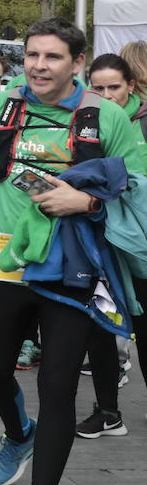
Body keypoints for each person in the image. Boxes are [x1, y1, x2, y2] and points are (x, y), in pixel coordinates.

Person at [0, 18, 147, 485]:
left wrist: (88, 203)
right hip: (5, 266)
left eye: (52, 56)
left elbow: (137, 193)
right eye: (32, 55)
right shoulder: (2, 107)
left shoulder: (106, 117)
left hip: (73, 271)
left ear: (77, 63)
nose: (38, 65)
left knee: (58, 389)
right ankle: (18, 433)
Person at [75, 53, 147, 439]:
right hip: (99, 239)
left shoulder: (143, 122)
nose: (105, 95)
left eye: (113, 87)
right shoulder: (85, 120)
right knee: (100, 325)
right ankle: (107, 412)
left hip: (141, 244)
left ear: (130, 86)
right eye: (97, 88)